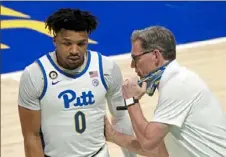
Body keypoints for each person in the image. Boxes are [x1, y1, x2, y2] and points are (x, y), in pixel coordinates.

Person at [17, 8, 137, 157]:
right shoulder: (35, 75)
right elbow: (31, 136)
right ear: (55, 40)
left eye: (81, 44)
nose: (74, 51)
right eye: (67, 43)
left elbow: (120, 117)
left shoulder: (106, 68)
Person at [104, 26, 226, 157]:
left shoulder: (178, 85)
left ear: (155, 56)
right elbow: (161, 152)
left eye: (136, 58)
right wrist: (113, 136)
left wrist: (131, 100)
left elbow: (148, 141)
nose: (132, 65)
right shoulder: (175, 82)